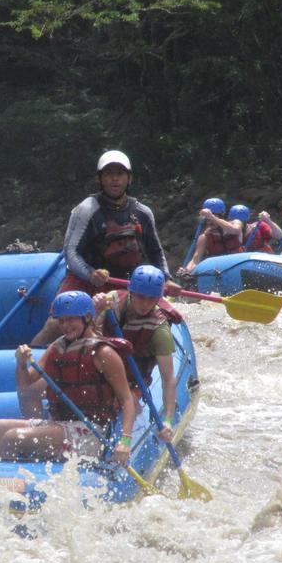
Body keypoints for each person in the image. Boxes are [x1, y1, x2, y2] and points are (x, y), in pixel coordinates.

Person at [0, 291, 142, 465]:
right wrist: (21, 363)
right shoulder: (58, 346)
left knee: (12, 438)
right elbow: (26, 383)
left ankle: (8, 481)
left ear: (87, 318)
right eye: (61, 320)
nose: (65, 325)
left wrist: (125, 441)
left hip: (90, 433)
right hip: (58, 426)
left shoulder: (104, 353)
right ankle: (16, 474)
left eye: (71, 319)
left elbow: (126, 399)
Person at [31, 150, 169, 345]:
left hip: (123, 282)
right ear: (100, 179)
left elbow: (156, 252)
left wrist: (166, 278)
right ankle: (29, 363)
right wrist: (91, 274)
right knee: (55, 325)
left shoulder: (142, 212)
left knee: (113, 328)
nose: (114, 179)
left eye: (120, 174)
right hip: (84, 280)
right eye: (108, 174)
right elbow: (71, 251)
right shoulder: (87, 209)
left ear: (129, 179)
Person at [96, 265, 181, 427]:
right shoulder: (111, 302)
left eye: (151, 298)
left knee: (127, 403)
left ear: (159, 298)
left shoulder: (159, 328)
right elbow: (87, 337)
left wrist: (168, 420)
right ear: (131, 292)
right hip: (102, 371)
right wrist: (94, 311)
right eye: (141, 296)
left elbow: (168, 379)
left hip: (133, 380)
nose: (145, 304)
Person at [176, 198, 244, 276]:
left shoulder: (236, 222)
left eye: (213, 217)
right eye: (207, 219)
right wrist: (187, 271)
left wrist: (212, 217)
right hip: (221, 271)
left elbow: (235, 230)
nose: (209, 221)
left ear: (221, 215)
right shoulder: (204, 237)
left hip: (239, 265)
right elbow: (195, 260)